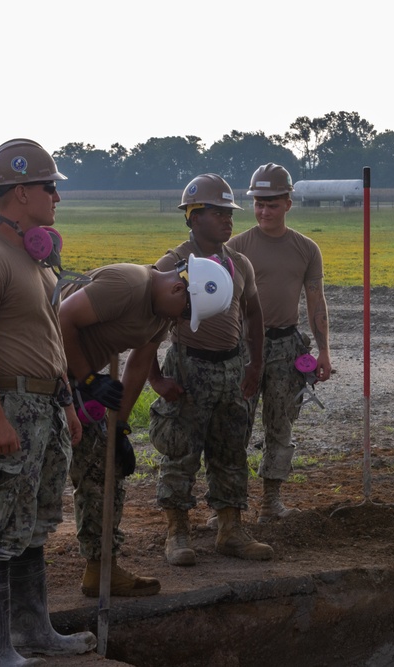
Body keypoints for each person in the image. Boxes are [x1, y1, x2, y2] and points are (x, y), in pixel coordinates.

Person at [0, 138, 97, 663]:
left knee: (32, 525)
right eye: (48, 186)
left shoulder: (33, 258)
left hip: (42, 411)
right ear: (19, 193)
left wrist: (65, 407)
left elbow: (47, 340)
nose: (56, 196)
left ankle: (33, 633)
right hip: (7, 409)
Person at [60, 254, 233, 596]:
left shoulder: (159, 314)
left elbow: (139, 364)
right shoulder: (127, 284)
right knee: (44, 477)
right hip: (48, 374)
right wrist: (89, 378)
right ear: (178, 287)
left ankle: (100, 569)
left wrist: (119, 426)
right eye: (186, 311)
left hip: (79, 383)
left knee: (105, 468)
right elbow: (62, 317)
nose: (183, 320)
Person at [146, 174, 272, 565]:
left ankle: (230, 529)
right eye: (217, 212)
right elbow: (146, 324)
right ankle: (177, 533)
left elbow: (253, 314)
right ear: (193, 216)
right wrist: (156, 378)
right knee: (181, 453)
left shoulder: (239, 264)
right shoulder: (172, 264)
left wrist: (255, 365)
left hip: (231, 369)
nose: (227, 220)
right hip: (189, 368)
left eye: (229, 213)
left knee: (232, 451)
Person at [226, 163, 332, 523]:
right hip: (243, 348)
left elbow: (316, 301)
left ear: (288, 203)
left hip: (287, 347)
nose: (264, 211)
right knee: (235, 425)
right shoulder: (235, 248)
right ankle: (229, 506)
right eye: (258, 203)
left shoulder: (306, 249)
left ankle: (271, 501)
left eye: (272, 203)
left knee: (280, 425)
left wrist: (324, 351)